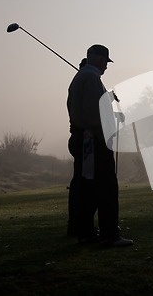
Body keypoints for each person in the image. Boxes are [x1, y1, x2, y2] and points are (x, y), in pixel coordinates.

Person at [67, 45, 133, 246]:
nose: (106, 66)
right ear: (96, 58)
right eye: (105, 60)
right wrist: (108, 134)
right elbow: (94, 115)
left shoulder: (83, 77)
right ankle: (109, 234)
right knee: (106, 189)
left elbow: (91, 109)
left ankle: (86, 233)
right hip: (94, 141)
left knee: (88, 189)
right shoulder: (92, 78)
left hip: (84, 138)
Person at [66, 58, 88, 237]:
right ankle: (80, 226)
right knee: (84, 184)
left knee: (80, 183)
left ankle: (76, 224)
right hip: (83, 137)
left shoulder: (75, 84)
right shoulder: (83, 83)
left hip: (77, 136)